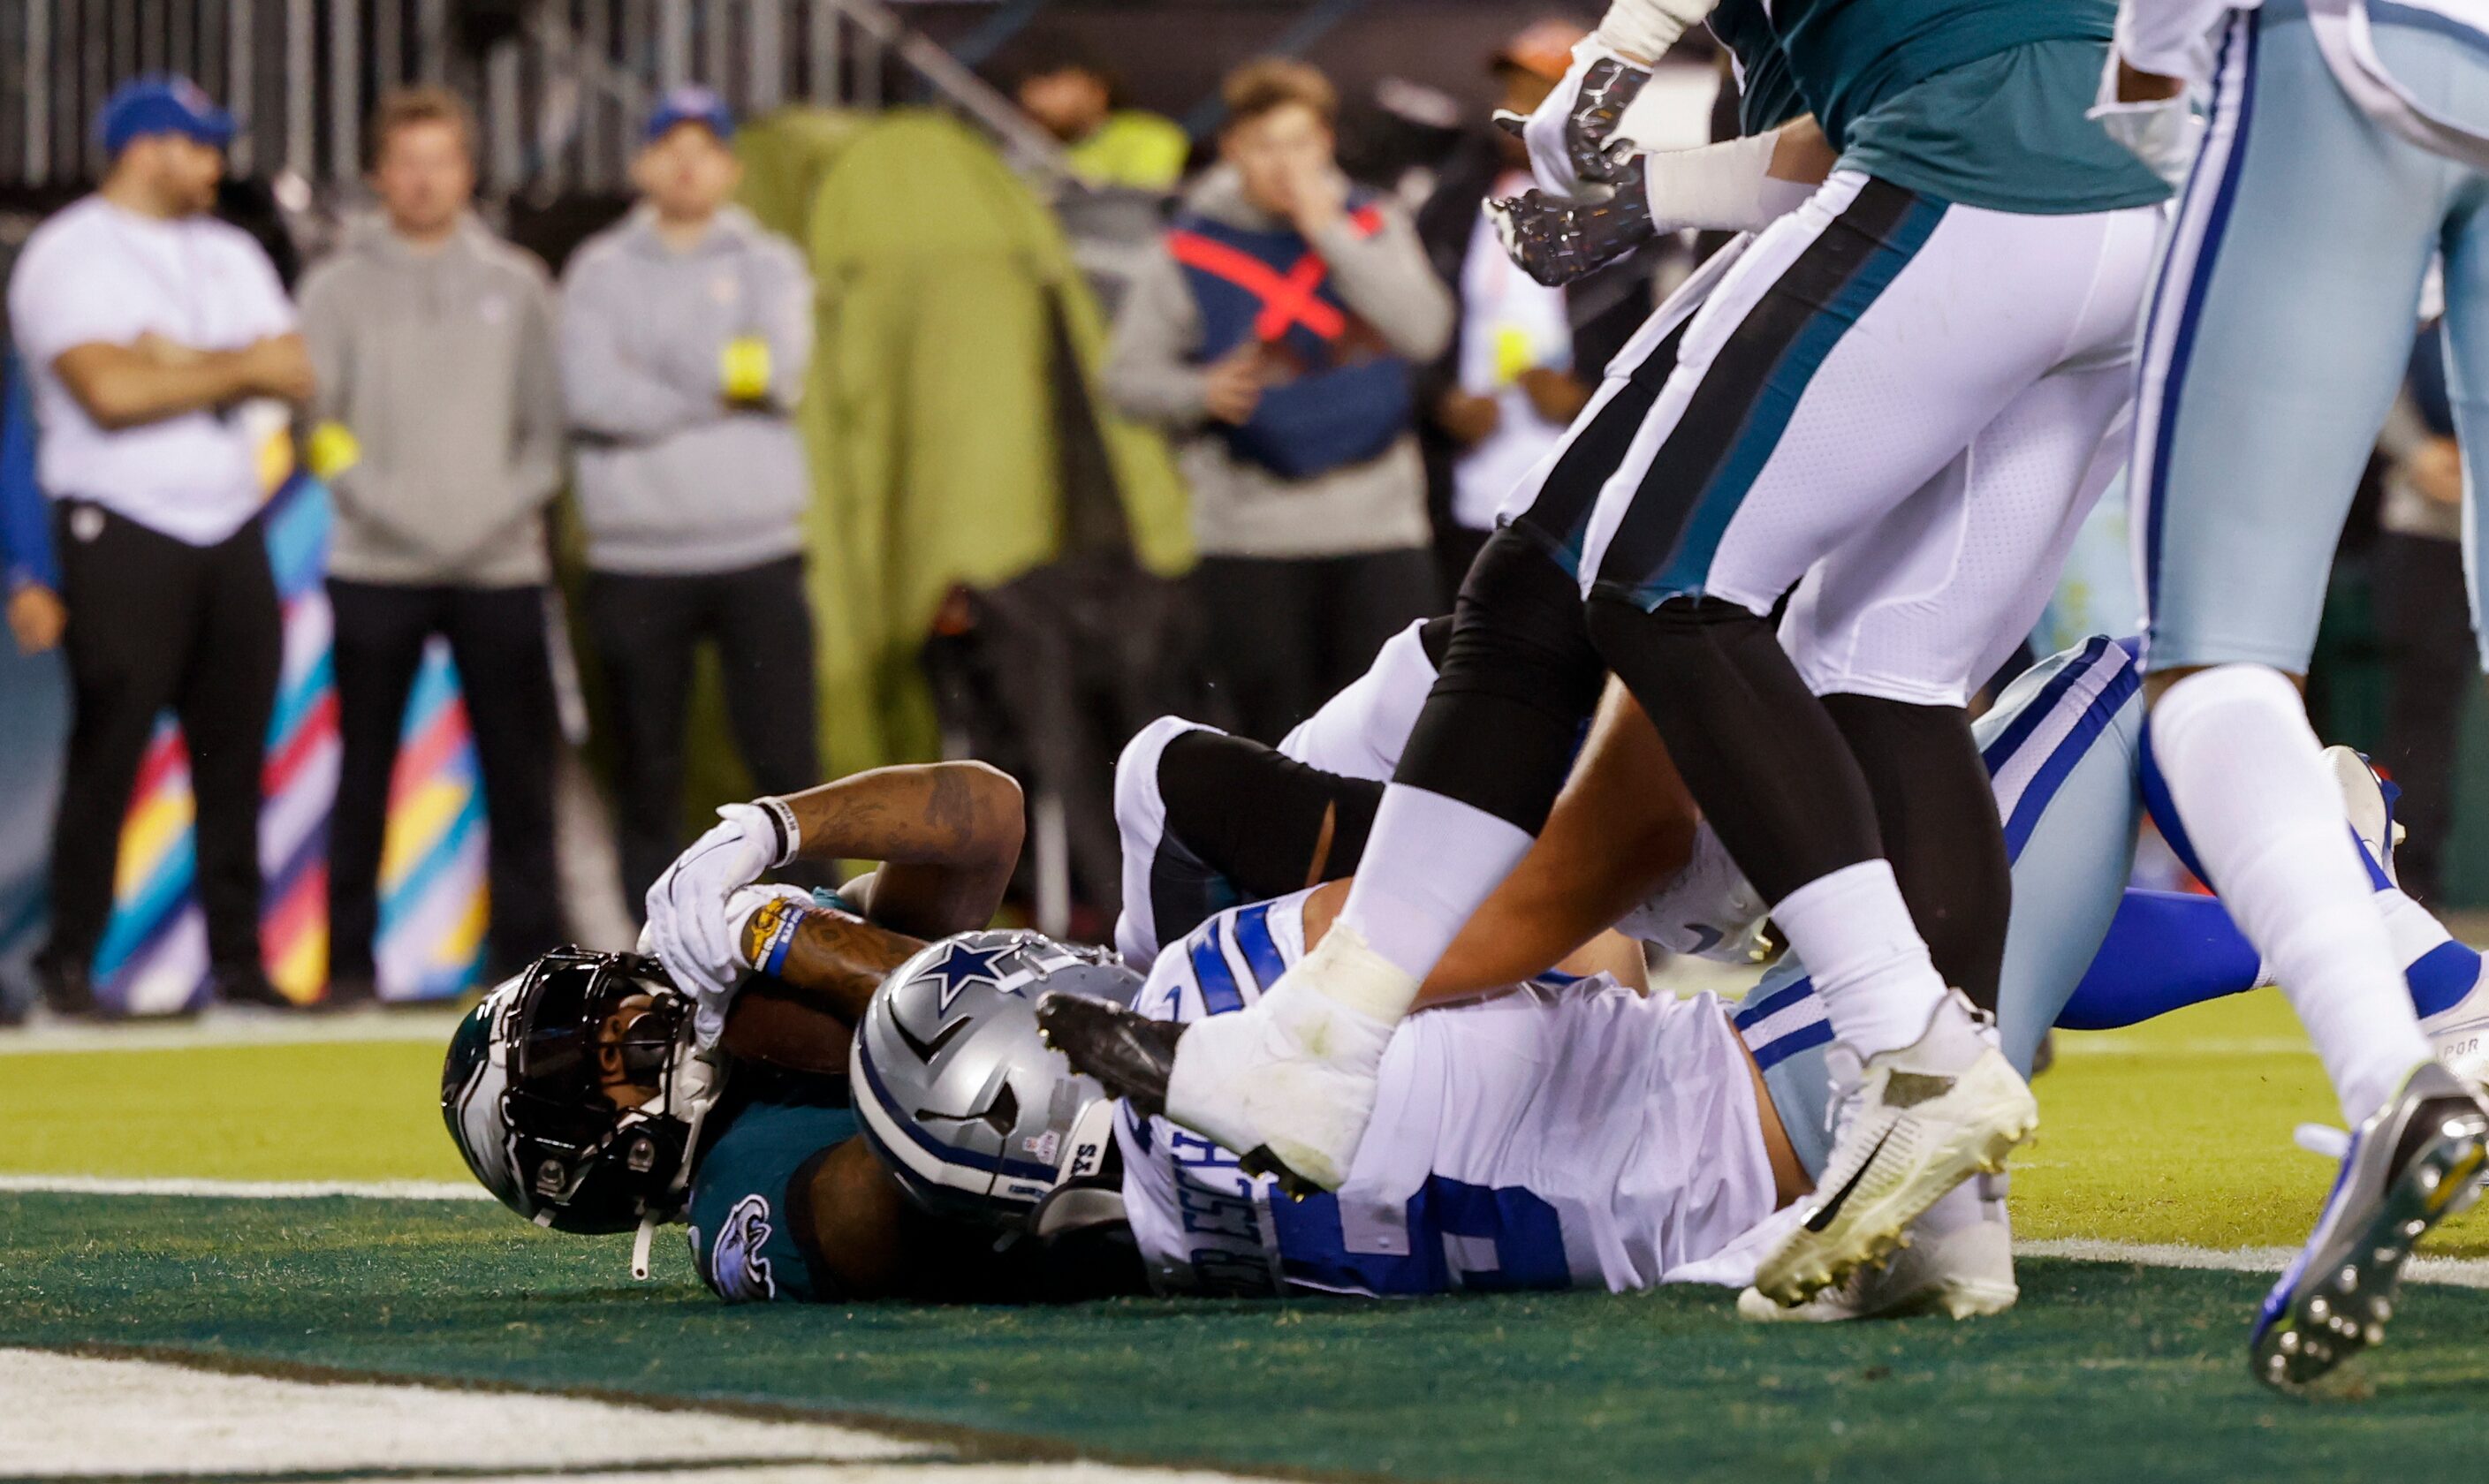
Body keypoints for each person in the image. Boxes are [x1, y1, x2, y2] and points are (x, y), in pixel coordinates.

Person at [448, 625, 2489, 1320]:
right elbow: (916, 1129)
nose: (656, 1016)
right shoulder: (779, 1199)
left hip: (1634, 1138)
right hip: (1708, 1129)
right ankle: (2403, 982)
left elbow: (975, 935)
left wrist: (777, 847)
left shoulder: (1179, 1094)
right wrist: (1653, 612)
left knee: (1856, 844)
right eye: (619, 1048)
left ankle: (2347, 942)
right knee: (2033, 710)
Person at [1150, 0, 2175, 1313]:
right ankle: (1941, 1209)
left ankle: (1907, 1049)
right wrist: (1661, 184)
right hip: (2110, 188)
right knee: (1881, 670)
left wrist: (1620, 48)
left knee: (1640, 582)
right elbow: (1903, 84)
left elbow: (1951, 75)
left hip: (1980, 165)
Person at [2106, 0, 2489, 1387]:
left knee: (2211, 653)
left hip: (2350, 58)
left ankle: (2399, 1074)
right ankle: (2442, 998)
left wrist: (2145, 92)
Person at [5, 75, 313, 1016]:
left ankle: (239, 965)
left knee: (235, 756)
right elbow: (110, 394)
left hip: (231, 527)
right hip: (121, 526)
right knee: (111, 752)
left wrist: (170, 358)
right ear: (147, 148)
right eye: (200, 145)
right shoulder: (66, 253)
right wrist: (225, 367)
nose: (216, 164)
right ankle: (68, 964)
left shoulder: (229, 250)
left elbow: (295, 369)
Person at [299, 87, 566, 1002]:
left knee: (519, 776)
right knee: (362, 771)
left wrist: (486, 518)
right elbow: (318, 428)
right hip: (374, 567)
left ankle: (529, 966)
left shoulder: (519, 283)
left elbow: (547, 435)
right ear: (379, 174)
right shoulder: (333, 288)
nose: (422, 180)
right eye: (405, 161)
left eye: (440, 159)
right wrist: (390, 512)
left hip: (500, 566)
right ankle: (344, 967)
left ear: (469, 170)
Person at [1105, 58, 1454, 743]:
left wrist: (1330, 232)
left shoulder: (1371, 220)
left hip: (1380, 526)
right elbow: (1123, 381)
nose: (1284, 166)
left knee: (1390, 735)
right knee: (1272, 739)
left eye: (1298, 144)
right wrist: (1198, 391)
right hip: (1250, 535)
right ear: (1233, 148)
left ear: (1323, 142)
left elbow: (1425, 331)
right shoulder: (1187, 245)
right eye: (1265, 146)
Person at [560, 87, 822, 927]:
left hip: (758, 552)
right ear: (640, 164)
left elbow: (775, 372)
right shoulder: (598, 271)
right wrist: (716, 380)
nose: (685, 161)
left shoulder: (771, 262)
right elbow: (593, 396)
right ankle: (651, 952)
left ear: (730, 166)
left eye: (703, 145)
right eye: (667, 144)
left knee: (791, 770)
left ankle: (822, 933)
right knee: (647, 770)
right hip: (636, 560)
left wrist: (653, 366)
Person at [1415, 20, 1650, 595]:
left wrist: (1587, 396)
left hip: (1580, 486)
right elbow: (1407, 330)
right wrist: (1437, 401)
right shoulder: (1448, 205)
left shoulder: (1641, 214)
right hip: (1466, 485)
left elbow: (1664, 349)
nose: (1516, 110)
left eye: (1540, 94)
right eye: (1513, 92)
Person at [2371, 322, 2468, 906]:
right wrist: (2418, 452)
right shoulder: (2417, 284)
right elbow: (2373, 377)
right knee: (2422, 713)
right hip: (2428, 533)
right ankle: (2407, 886)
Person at [1010, 37, 1192, 194]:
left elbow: (1130, 212)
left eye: (1052, 85)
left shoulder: (1151, 137)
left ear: (1098, 90)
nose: (1035, 98)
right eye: (1030, 85)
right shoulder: (1024, 148)